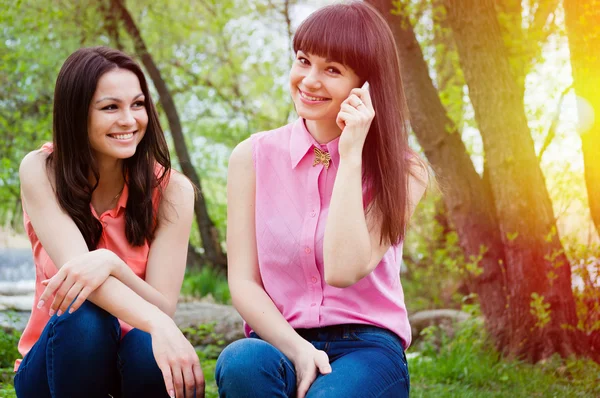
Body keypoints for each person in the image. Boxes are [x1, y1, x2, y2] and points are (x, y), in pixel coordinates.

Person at [215, 2, 429, 397]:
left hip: (368, 349)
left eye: (332, 70)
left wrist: (350, 156)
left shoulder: (404, 171)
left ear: (366, 85)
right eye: (303, 61)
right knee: (240, 361)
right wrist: (297, 349)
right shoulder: (252, 157)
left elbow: (343, 270)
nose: (309, 81)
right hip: (281, 340)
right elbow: (243, 281)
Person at [14, 46, 204, 398]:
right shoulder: (42, 171)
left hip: (133, 356)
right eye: (110, 107)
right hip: (55, 362)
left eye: (137, 104)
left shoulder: (173, 191)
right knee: (84, 316)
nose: (130, 121)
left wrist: (111, 263)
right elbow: (80, 278)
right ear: (76, 114)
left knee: (149, 347)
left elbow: (162, 306)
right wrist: (160, 323)